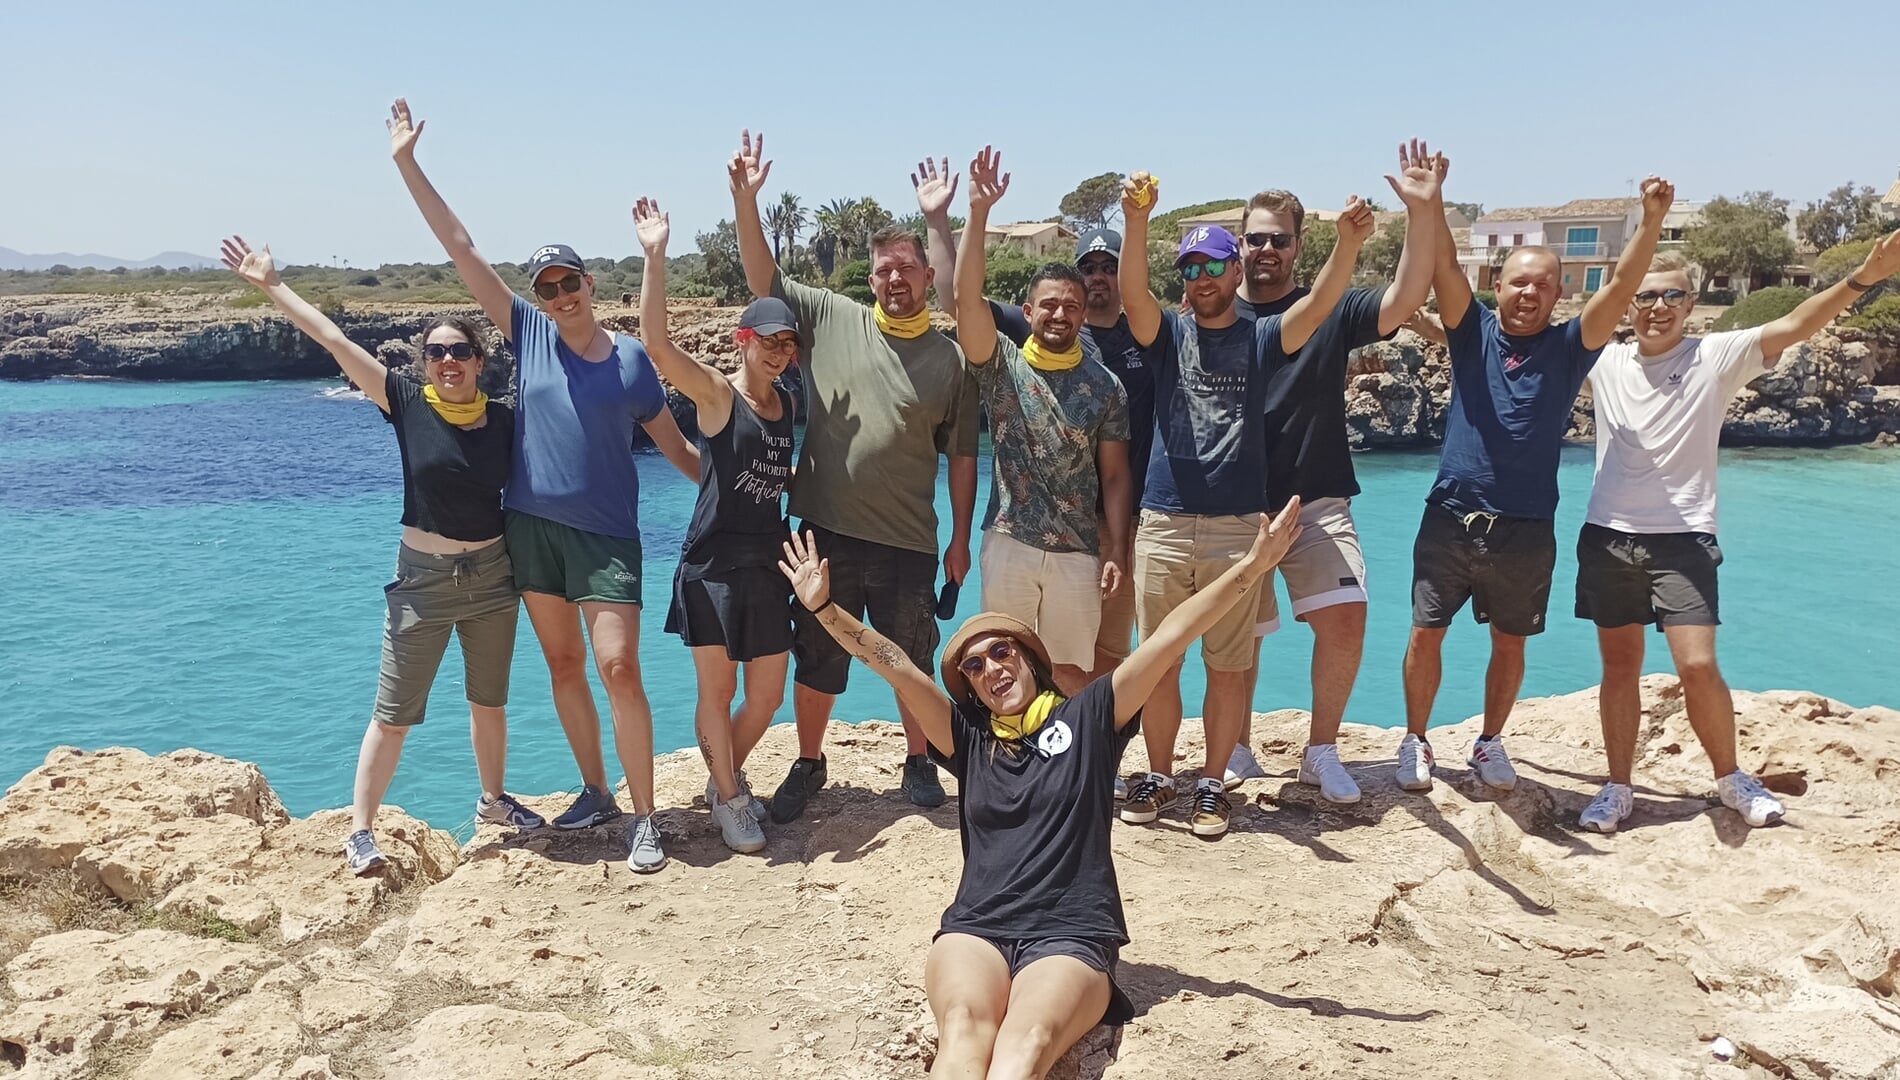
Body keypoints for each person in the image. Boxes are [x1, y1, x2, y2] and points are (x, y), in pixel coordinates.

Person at [776, 497, 1303, 1079]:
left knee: (1023, 1047)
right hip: (977, 928)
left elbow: (1172, 636)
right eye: (974, 668)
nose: (991, 670)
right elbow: (895, 664)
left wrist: (1251, 567)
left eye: (1001, 653)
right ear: (972, 691)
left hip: (1070, 936)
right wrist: (824, 607)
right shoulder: (969, 743)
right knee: (962, 1035)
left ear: (1029, 659)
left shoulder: (1091, 719)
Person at [388, 100, 700, 873]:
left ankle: (645, 816)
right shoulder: (526, 334)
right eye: (547, 286)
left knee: (617, 664)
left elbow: (676, 447)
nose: (560, 295)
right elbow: (461, 248)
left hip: (605, 537)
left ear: (591, 284)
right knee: (563, 667)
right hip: (529, 527)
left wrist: (746, 491)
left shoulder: (629, 360)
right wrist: (407, 163)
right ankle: (596, 788)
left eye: (569, 283)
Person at [1113, 148, 1421, 839]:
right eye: (1190, 267)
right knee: (1159, 659)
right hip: (1162, 520)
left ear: (1234, 272)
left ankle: (1214, 785)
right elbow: (1133, 295)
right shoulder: (1165, 334)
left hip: (1233, 529)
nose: (1203, 277)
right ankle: (1162, 774)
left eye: (1215, 265)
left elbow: (1318, 307)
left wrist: (1347, 244)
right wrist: (1137, 222)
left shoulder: (1259, 340)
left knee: (1229, 663)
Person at [219, 236, 543, 877]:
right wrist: (271, 285)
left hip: (492, 574)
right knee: (393, 714)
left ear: (480, 361)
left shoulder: (506, 419)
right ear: (423, 362)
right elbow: (336, 341)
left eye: (459, 351)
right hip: (422, 580)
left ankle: (494, 801)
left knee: (490, 701)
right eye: (436, 352)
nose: (447, 361)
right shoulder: (403, 402)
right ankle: (361, 830)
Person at [1576, 234, 1900, 832]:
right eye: (1645, 296)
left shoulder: (1716, 355)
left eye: (1671, 295)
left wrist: (1865, 276)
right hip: (1608, 536)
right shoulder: (1603, 359)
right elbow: (1507, 346)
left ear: (1688, 301)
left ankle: (1730, 778)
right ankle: (1617, 787)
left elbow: (1800, 321)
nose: (1657, 307)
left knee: (1696, 665)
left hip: (1684, 539)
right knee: (1619, 667)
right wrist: (1432, 326)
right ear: (1627, 304)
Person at [727, 131, 981, 822]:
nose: (896, 279)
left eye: (909, 268)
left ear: (927, 276)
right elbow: (763, 281)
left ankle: (920, 759)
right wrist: (746, 202)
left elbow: (961, 454)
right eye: (884, 271)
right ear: (869, 279)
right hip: (826, 533)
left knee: (910, 656)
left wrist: (961, 540)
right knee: (819, 656)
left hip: (909, 538)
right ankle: (810, 762)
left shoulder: (950, 358)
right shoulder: (830, 318)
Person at [1400, 159, 1674, 794]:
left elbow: (1622, 285)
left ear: (1557, 295)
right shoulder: (1470, 333)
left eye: (1542, 286)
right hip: (1449, 516)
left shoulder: (1572, 347)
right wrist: (1432, 203)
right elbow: (1442, 266)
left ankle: (1490, 742)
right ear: (1498, 285)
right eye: (1518, 283)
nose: (1529, 293)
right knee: (1425, 634)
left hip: (1525, 529)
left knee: (1511, 643)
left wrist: (1653, 221)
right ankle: (1415, 739)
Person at [1227, 148, 1443, 804]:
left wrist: (1422, 212)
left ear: (1298, 248)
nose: (1265, 249)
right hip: (1233, 508)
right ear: (1241, 243)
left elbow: (1407, 295)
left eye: (1278, 240)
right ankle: (1234, 746)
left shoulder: (1330, 310)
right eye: (1255, 238)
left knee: (1347, 618)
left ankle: (1321, 751)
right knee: (1239, 637)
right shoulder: (1209, 317)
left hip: (1315, 497)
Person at [633, 197, 797, 854]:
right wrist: (654, 256)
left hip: (767, 560)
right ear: (743, 341)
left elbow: (732, 471)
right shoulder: (717, 394)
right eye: (768, 342)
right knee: (720, 687)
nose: (779, 353)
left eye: (788, 343)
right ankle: (730, 797)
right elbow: (657, 346)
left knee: (766, 695)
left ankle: (719, 775)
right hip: (712, 566)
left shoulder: (786, 403)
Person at [951, 147, 1134, 695]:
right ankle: (1006, 770)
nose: (1060, 314)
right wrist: (978, 213)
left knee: (1072, 672)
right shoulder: (1001, 363)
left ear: (1083, 313)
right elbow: (964, 300)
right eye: (1048, 305)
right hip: (1009, 541)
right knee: (998, 662)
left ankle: (1069, 770)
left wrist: (1117, 550)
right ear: (1027, 312)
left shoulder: (1106, 386)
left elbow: (1116, 477)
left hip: (1079, 550)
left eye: (1071, 306)